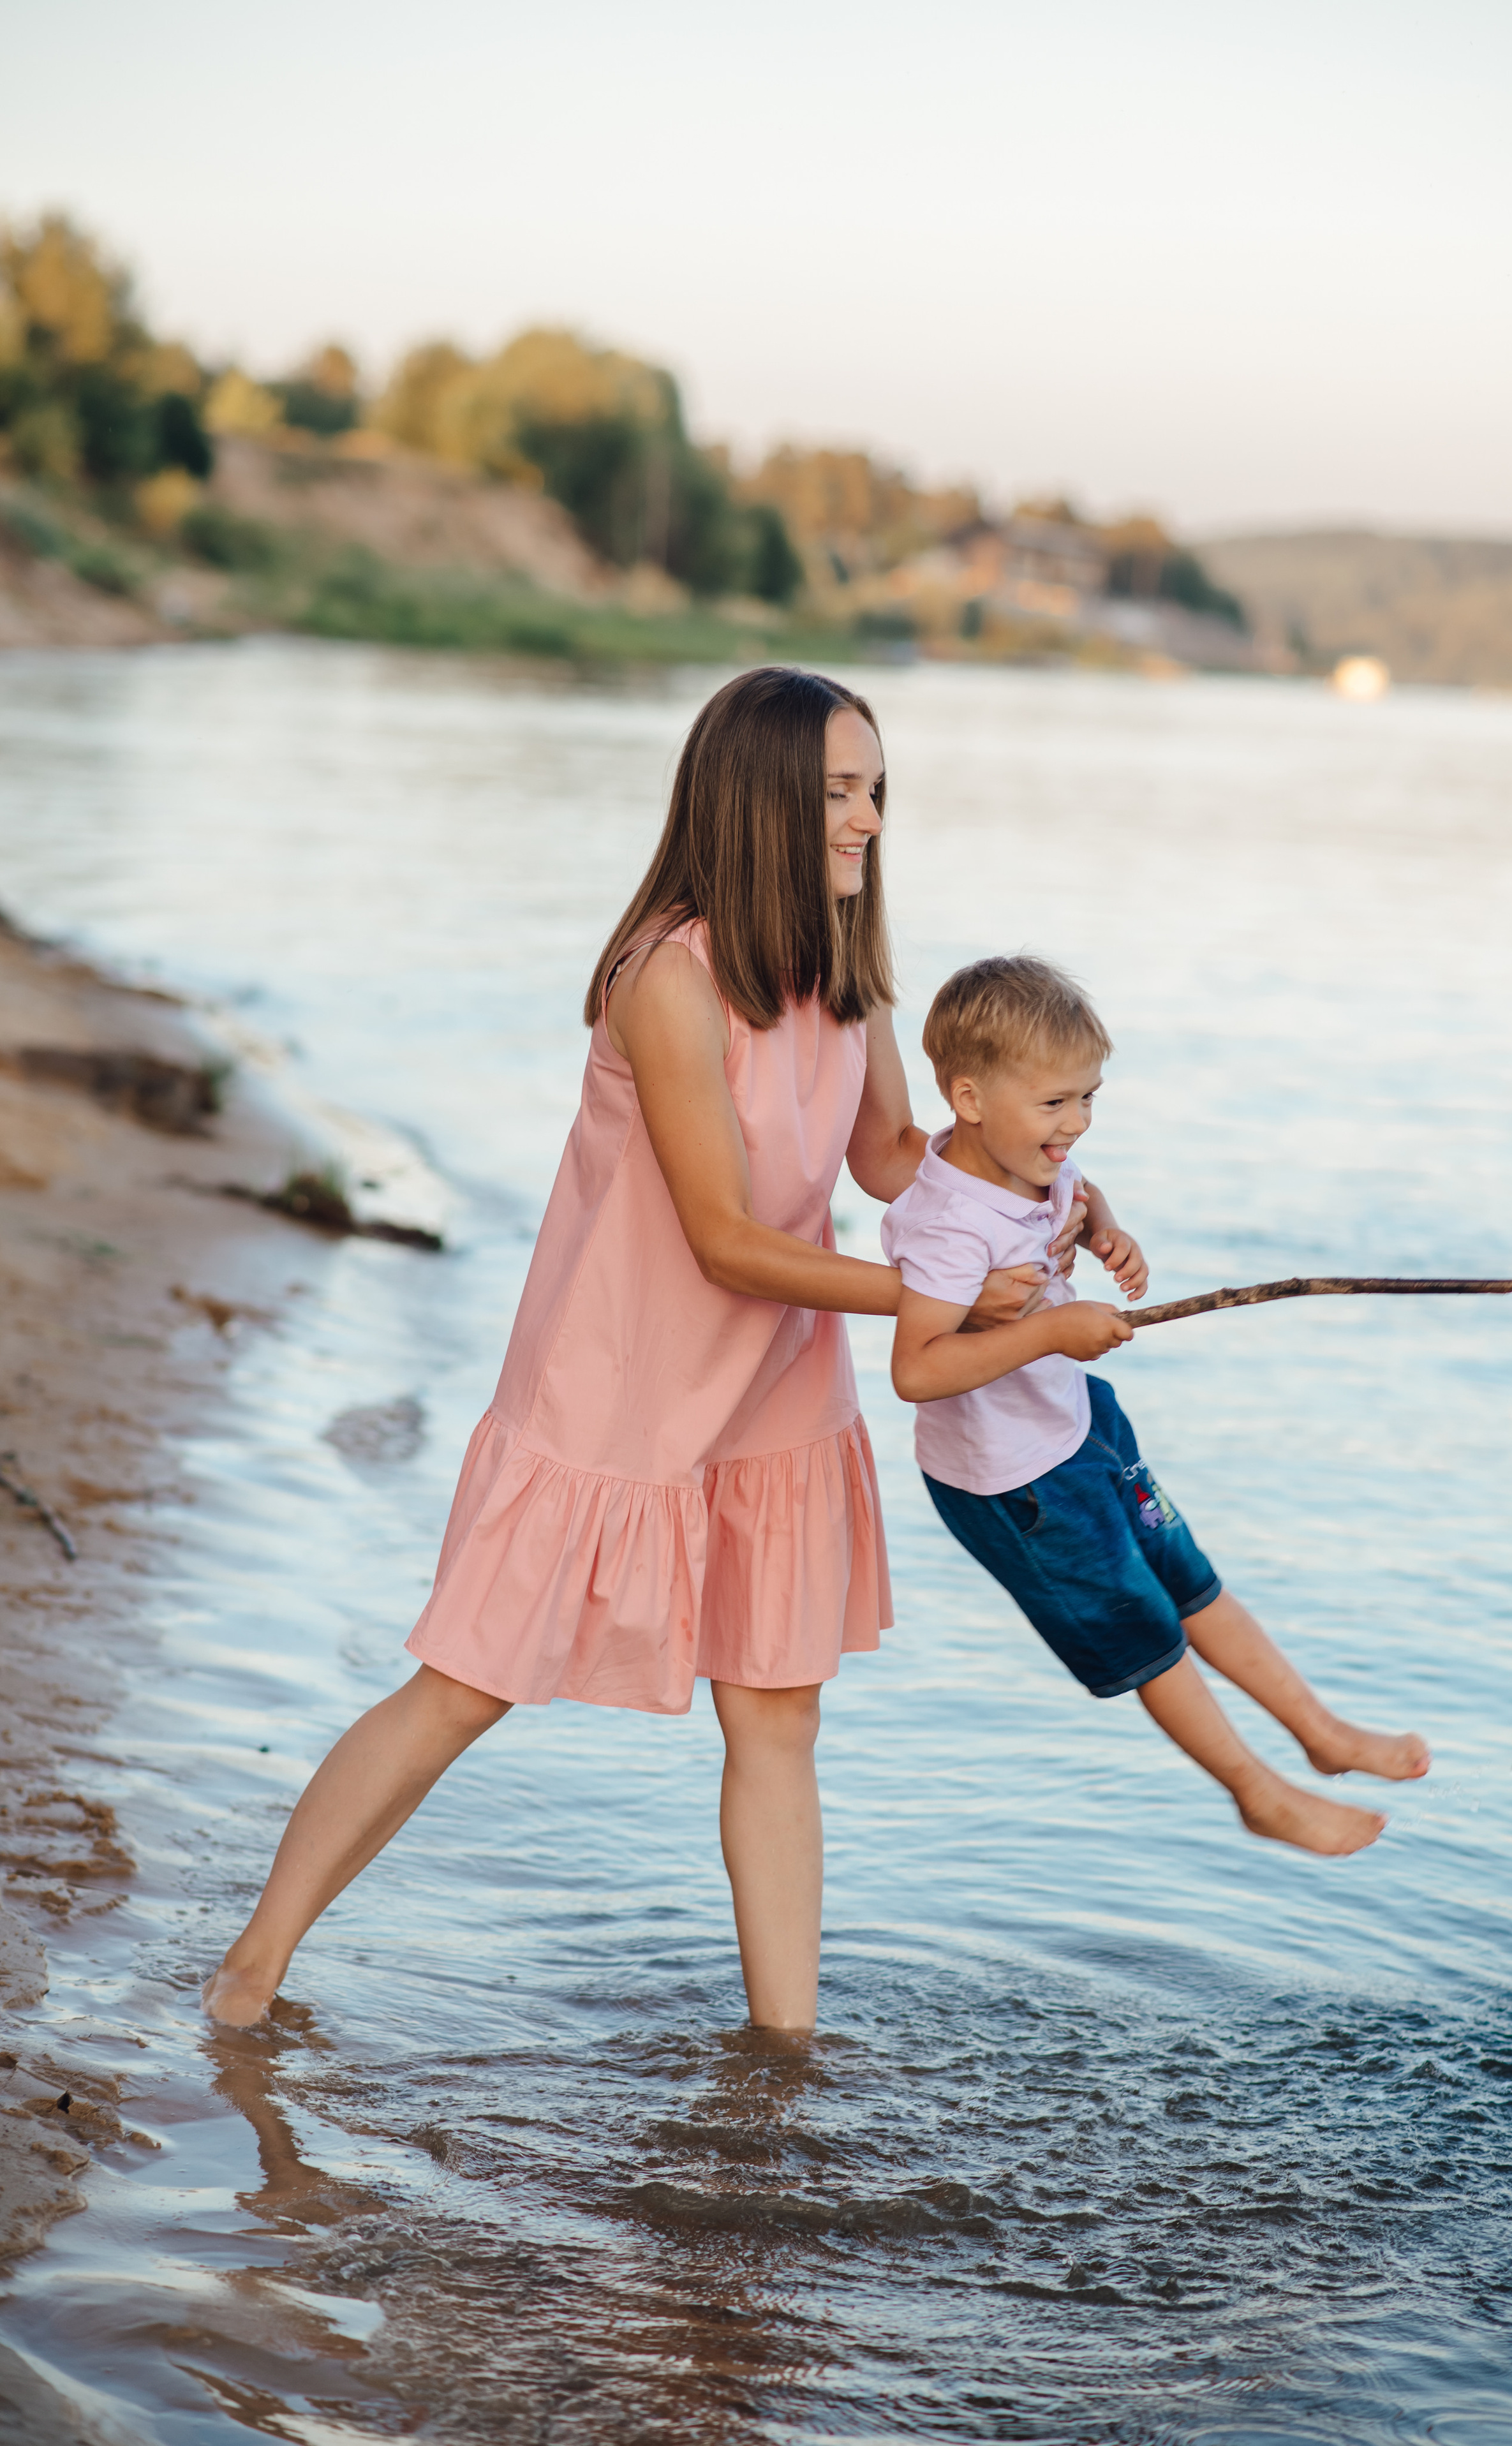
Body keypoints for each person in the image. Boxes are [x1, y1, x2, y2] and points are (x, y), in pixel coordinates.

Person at [203, 670, 1090, 2034]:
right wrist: (949, 1312)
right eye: (839, 793)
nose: (866, 821)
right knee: (463, 1686)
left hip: (776, 1384)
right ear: (759, 803)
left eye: (874, 793)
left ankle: (783, 2052)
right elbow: (726, 1238)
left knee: (779, 1718)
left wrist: (1048, 1183)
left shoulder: (846, 982)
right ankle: (248, 1973)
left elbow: (898, 1161)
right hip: (613, 1376)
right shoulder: (666, 982)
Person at [883, 954, 1430, 1855]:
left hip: (1080, 1423)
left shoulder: (1029, 1155)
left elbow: (1076, 1189)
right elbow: (917, 1368)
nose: (1077, 1124)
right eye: (1056, 1103)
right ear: (971, 1098)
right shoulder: (948, 1225)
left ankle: (1321, 1732)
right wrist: (1051, 1333)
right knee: (1144, 1627)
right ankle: (1256, 1790)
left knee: (1187, 1575)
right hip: (1016, 1484)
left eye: (1088, 1097)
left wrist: (1106, 1229)